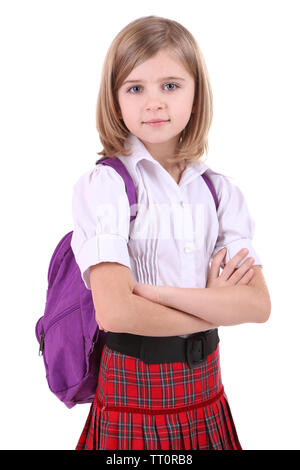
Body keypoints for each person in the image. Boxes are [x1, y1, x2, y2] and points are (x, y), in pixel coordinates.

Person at [70, 15, 271, 450]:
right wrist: (217, 306)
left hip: (205, 391)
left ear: (196, 95)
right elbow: (117, 314)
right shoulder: (106, 186)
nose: (154, 103)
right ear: (115, 99)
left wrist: (157, 294)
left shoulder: (219, 191)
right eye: (135, 88)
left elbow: (257, 305)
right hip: (133, 393)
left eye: (171, 85)